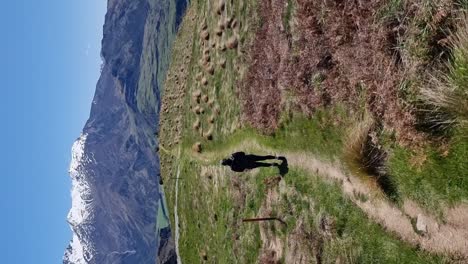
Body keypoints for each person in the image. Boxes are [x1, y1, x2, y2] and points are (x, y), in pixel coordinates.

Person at [221, 151, 287, 173]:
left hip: (250, 165)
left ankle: (273, 164)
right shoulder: (233, 156)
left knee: (262, 164)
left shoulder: (233, 168)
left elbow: (243, 170)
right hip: (250, 157)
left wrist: (248, 167)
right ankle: (277, 158)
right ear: (226, 159)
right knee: (263, 157)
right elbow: (242, 153)